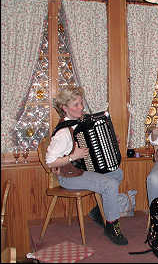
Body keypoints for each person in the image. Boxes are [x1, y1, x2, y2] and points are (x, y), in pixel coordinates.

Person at [45, 85, 128, 246]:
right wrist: (72, 157)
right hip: (68, 176)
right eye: (76, 105)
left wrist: (110, 139)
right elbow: (50, 162)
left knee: (117, 174)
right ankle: (112, 226)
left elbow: (93, 145)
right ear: (64, 108)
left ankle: (99, 211)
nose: (81, 107)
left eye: (81, 103)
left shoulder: (81, 122)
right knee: (109, 184)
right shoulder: (63, 132)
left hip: (82, 170)